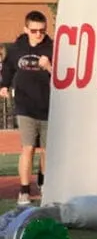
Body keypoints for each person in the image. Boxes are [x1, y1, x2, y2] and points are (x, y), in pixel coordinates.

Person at [1, 11, 53, 206]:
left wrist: (49, 67)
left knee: (47, 150)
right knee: (28, 147)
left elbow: (62, 77)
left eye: (42, 31)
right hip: (25, 106)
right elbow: (8, 68)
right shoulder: (17, 48)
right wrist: (4, 85)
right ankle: (24, 190)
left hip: (48, 106)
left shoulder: (52, 48)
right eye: (34, 30)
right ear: (26, 29)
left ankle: (44, 180)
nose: (38, 34)